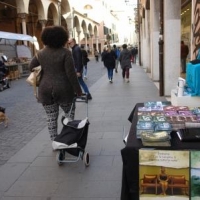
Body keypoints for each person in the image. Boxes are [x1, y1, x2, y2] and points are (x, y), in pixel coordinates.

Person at [29, 26, 82, 141]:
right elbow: (71, 74)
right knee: (69, 116)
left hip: (45, 89)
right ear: (62, 38)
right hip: (65, 90)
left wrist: (45, 70)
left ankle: (54, 141)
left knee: (51, 118)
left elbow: (31, 66)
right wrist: (78, 91)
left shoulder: (40, 53)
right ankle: (68, 139)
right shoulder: (66, 53)